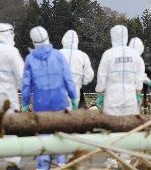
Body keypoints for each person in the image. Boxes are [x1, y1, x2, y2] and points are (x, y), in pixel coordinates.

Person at [21, 26, 77, 170]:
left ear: (33, 42)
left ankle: (43, 166)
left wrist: (25, 104)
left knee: (44, 138)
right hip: (59, 102)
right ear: (48, 37)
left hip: (41, 104)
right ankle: (61, 164)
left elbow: (26, 85)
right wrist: (74, 97)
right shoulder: (57, 55)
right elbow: (67, 78)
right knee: (60, 136)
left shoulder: (30, 59)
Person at [95, 25, 145, 116]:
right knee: (129, 124)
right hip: (130, 96)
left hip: (112, 96)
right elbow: (139, 77)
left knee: (113, 125)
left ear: (112, 36)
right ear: (126, 36)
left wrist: (100, 94)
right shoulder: (134, 54)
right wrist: (138, 93)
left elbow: (101, 76)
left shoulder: (108, 54)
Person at [0, 23, 24, 170]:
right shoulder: (11, 51)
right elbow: (22, 78)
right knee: (10, 130)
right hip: (7, 99)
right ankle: (12, 163)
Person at [60, 30, 94, 109]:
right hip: (76, 93)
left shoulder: (57, 54)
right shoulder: (82, 55)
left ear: (64, 40)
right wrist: (82, 81)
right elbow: (89, 75)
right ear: (77, 41)